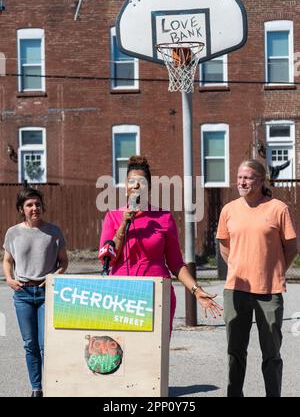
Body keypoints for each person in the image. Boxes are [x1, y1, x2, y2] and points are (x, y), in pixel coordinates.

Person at [100, 156, 222, 331]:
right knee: (124, 355)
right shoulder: (113, 217)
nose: (135, 185)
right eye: (130, 181)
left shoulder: (164, 218)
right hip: (122, 296)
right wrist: (123, 225)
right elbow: (107, 260)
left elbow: (176, 264)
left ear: (149, 188)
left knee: (154, 355)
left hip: (157, 295)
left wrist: (196, 290)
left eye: (141, 182)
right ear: (125, 188)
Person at [216, 159, 297, 397]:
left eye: (248, 177)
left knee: (271, 353)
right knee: (235, 351)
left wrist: (276, 269)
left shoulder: (278, 208)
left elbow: (291, 247)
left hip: (269, 291)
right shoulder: (229, 210)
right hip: (236, 289)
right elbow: (224, 246)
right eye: (240, 177)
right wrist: (239, 265)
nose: (242, 181)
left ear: (261, 181)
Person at [3, 187, 68, 397]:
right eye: (29, 205)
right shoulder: (13, 232)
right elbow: (7, 260)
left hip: (45, 293)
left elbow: (64, 262)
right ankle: (36, 388)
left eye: (38, 204)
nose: (35, 208)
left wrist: (54, 276)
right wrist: (10, 279)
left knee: (45, 345)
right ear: (21, 209)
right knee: (30, 344)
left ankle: (52, 386)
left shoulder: (54, 232)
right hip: (22, 294)